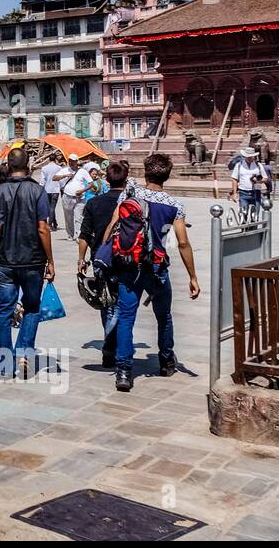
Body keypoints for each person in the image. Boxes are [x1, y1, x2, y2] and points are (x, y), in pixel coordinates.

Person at [101, 153, 201, 392]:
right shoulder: (174, 205)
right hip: (156, 266)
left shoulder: (129, 195)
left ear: (145, 173)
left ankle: (123, 371)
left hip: (129, 264)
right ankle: (166, 360)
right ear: (167, 175)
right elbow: (183, 242)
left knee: (126, 317)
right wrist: (192, 277)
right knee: (163, 316)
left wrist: (105, 251)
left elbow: (114, 224)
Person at [0, 148, 55, 379]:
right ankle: (24, 352)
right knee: (32, 308)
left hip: (6, 260)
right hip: (33, 260)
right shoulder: (37, 191)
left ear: (8, 165)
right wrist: (50, 261)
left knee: (4, 312)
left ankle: (4, 363)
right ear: (28, 164)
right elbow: (43, 228)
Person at [78, 160, 128, 368]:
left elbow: (85, 235)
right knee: (123, 305)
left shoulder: (94, 203)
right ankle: (116, 346)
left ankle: (109, 347)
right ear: (126, 180)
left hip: (100, 258)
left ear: (106, 179)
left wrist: (81, 259)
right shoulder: (131, 203)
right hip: (127, 259)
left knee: (106, 304)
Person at [60, 157, 95, 241]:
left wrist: (82, 190)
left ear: (77, 162)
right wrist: (65, 175)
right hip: (67, 196)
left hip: (80, 197)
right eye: (70, 161)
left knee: (78, 216)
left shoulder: (83, 172)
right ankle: (70, 234)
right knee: (68, 217)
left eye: (73, 161)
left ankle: (78, 235)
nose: (71, 163)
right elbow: (54, 178)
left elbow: (91, 183)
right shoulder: (64, 170)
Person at [230, 146, 265, 219]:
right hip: (243, 192)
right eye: (247, 156)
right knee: (243, 213)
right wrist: (234, 193)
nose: (249, 158)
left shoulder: (258, 165)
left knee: (255, 215)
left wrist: (258, 181)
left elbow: (266, 178)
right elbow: (234, 179)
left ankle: (254, 229)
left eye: (251, 156)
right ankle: (244, 229)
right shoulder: (239, 165)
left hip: (256, 192)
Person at [40, 154, 64, 230]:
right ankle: (51, 224)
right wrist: (62, 188)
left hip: (47, 189)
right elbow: (61, 179)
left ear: (49, 159)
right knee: (52, 207)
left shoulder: (44, 168)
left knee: (50, 207)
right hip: (55, 189)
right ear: (55, 160)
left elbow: (42, 180)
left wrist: (41, 188)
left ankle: (53, 223)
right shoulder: (59, 168)